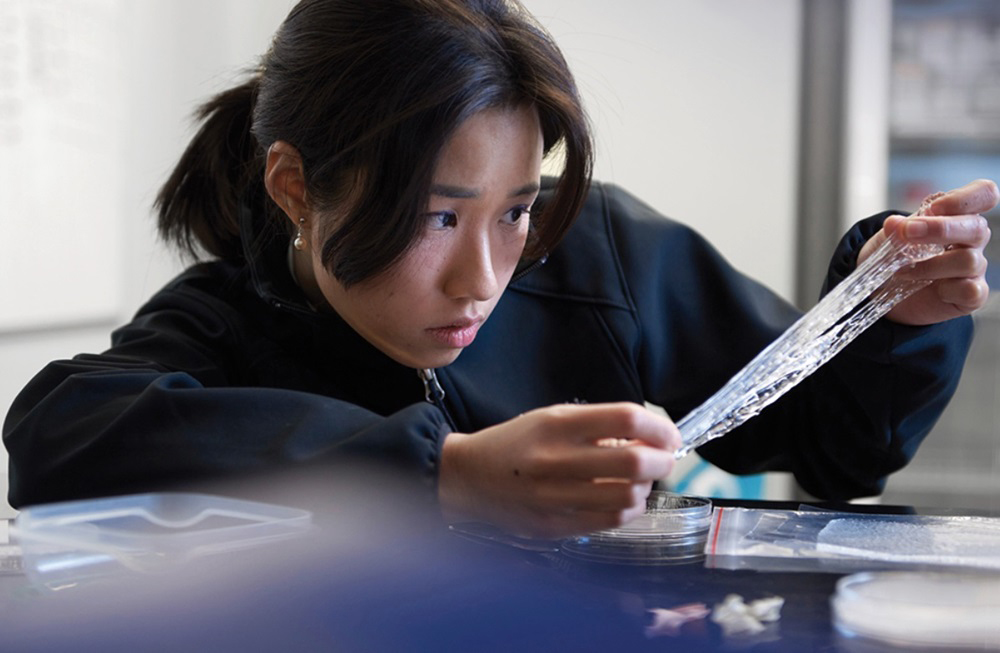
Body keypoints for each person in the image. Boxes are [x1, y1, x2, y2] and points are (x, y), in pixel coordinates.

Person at [4, 0, 996, 538]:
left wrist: (894, 318)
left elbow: (833, 447)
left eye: (515, 208)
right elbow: (58, 437)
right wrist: (437, 474)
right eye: (435, 214)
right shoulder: (229, 319)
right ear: (296, 188)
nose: (481, 275)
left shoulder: (599, 251)